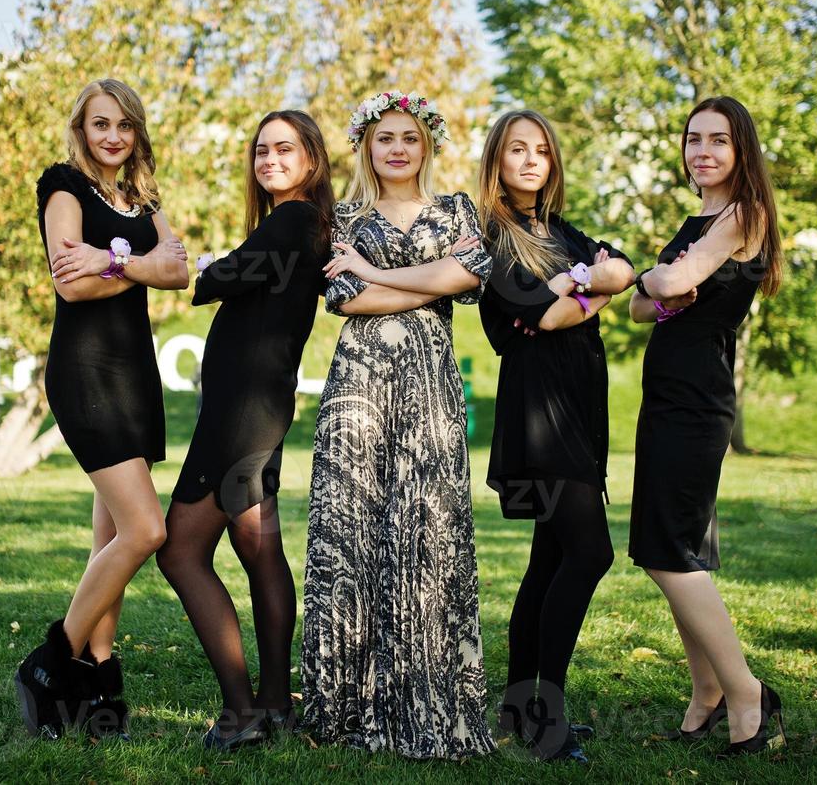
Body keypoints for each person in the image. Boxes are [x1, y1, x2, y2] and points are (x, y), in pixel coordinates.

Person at [300, 90, 495, 760]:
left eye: (408, 137)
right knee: (352, 532)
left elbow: (472, 279)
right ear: (366, 146)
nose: (396, 148)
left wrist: (377, 272)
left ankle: (425, 699)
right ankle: (344, 706)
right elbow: (343, 298)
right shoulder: (343, 215)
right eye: (384, 137)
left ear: (424, 145)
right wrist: (432, 278)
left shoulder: (458, 210)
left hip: (430, 384)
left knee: (426, 527)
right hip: (358, 387)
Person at [14, 78, 188, 741]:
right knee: (145, 531)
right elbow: (70, 282)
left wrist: (112, 257)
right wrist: (135, 261)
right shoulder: (63, 185)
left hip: (134, 375)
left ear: (136, 132)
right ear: (81, 130)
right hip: (85, 373)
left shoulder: (141, 196)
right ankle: (48, 665)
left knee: (109, 536)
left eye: (123, 126)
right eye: (100, 125)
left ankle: (97, 676)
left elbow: (179, 272)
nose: (112, 136)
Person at [156, 110, 334, 752]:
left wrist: (203, 262)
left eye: (285, 149)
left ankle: (241, 713)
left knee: (179, 551)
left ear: (312, 157)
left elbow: (214, 280)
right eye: (261, 151)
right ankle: (278, 704)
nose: (270, 160)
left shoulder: (293, 219)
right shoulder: (299, 224)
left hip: (239, 415)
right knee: (258, 551)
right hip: (257, 407)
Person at [626, 96, 785, 758]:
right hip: (665, 395)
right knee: (669, 549)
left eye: (718, 140)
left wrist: (647, 277)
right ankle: (705, 695)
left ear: (739, 149)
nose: (703, 151)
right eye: (693, 139)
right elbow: (642, 305)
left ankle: (746, 693)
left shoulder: (741, 213)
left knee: (667, 554)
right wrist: (652, 281)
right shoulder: (695, 217)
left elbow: (671, 282)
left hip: (696, 400)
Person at [476, 110, 635, 763]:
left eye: (541, 149)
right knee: (589, 553)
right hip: (539, 414)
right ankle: (545, 716)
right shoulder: (493, 236)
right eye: (517, 149)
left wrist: (580, 285)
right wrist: (581, 287)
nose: (531, 159)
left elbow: (622, 269)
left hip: (578, 407)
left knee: (549, 560)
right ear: (497, 160)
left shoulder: (558, 229)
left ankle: (519, 706)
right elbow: (537, 314)